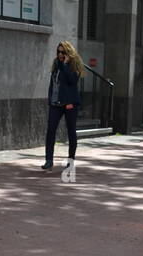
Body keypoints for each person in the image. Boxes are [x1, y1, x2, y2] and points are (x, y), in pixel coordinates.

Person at [44, 41, 84, 171]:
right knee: (51, 130)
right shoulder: (56, 64)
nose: (60, 54)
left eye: (63, 52)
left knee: (71, 131)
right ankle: (49, 160)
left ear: (68, 53)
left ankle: (71, 160)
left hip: (69, 104)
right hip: (56, 103)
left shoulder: (74, 66)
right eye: (58, 52)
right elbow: (54, 83)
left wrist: (66, 65)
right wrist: (50, 99)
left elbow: (72, 81)